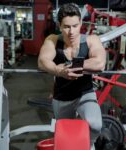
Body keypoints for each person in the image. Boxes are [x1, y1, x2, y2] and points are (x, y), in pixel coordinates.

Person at [38, 3, 106, 150]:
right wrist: (59, 71)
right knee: (65, 135)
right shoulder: (53, 39)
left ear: (81, 23)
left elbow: (100, 63)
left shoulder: (91, 39)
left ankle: (88, 146)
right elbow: (43, 61)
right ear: (59, 25)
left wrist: (73, 66)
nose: (71, 31)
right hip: (62, 96)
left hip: (84, 93)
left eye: (75, 26)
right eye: (67, 27)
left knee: (95, 125)